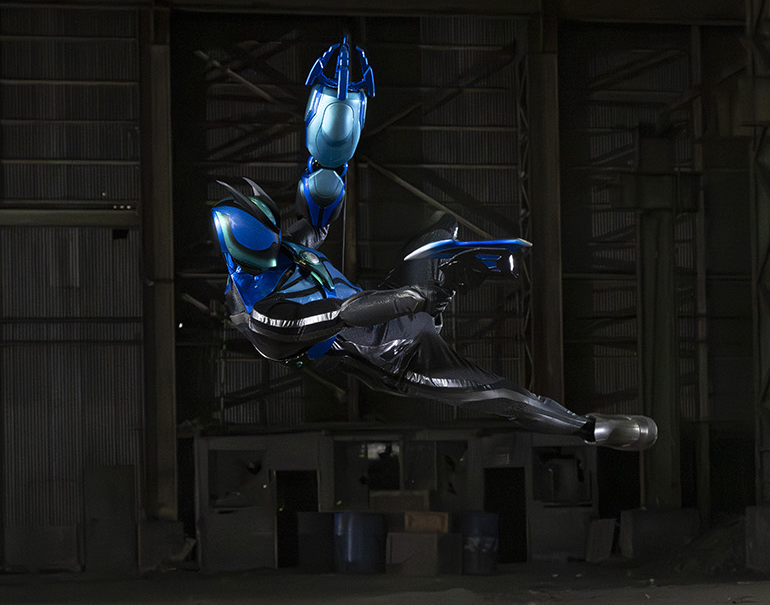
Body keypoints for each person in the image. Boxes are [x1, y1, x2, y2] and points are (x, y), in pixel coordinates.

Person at [210, 38, 656, 451]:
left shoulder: (281, 253)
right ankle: (589, 428)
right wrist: (413, 297)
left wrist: (332, 140)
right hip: (397, 358)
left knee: (440, 230)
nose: (281, 244)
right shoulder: (266, 317)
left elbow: (317, 220)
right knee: (495, 394)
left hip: (397, 308)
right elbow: (344, 314)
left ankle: (445, 289)